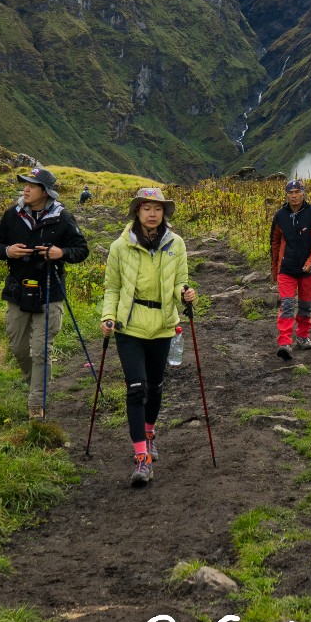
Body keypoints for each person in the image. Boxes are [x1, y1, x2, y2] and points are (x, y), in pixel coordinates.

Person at [100, 184, 196, 487]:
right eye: (146, 208)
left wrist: (185, 293)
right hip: (129, 326)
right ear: (137, 212)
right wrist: (108, 316)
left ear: (163, 212)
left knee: (155, 386)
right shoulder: (120, 246)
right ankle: (141, 456)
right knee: (136, 388)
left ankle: (150, 431)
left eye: (157, 209)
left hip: (164, 322)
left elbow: (181, 279)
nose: (152, 213)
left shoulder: (176, 243)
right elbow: (112, 287)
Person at [0, 167, 90, 419]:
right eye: (25, 184)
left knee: (41, 350)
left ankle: (36, 404)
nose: (26, 188)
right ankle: (38, 382)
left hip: (50, 292)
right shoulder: (12, 215)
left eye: (32, 185)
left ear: (45, 191)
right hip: (17, 290)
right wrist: (8, 251)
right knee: (19, 347)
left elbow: (81, 250)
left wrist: (61, 253)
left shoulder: (63, 217)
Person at [269, 177, 311, 360]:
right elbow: (275, 242)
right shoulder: (280, 216)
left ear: (303, 193)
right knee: (286, 305)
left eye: (297, 192)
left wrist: (310, 262)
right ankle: (285, 342)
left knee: (305, 305)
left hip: (308, 269)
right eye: (290, 193)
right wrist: (274, 270)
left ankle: (302, 336)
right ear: (286, 195)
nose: (294, 196)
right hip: (286, 268)